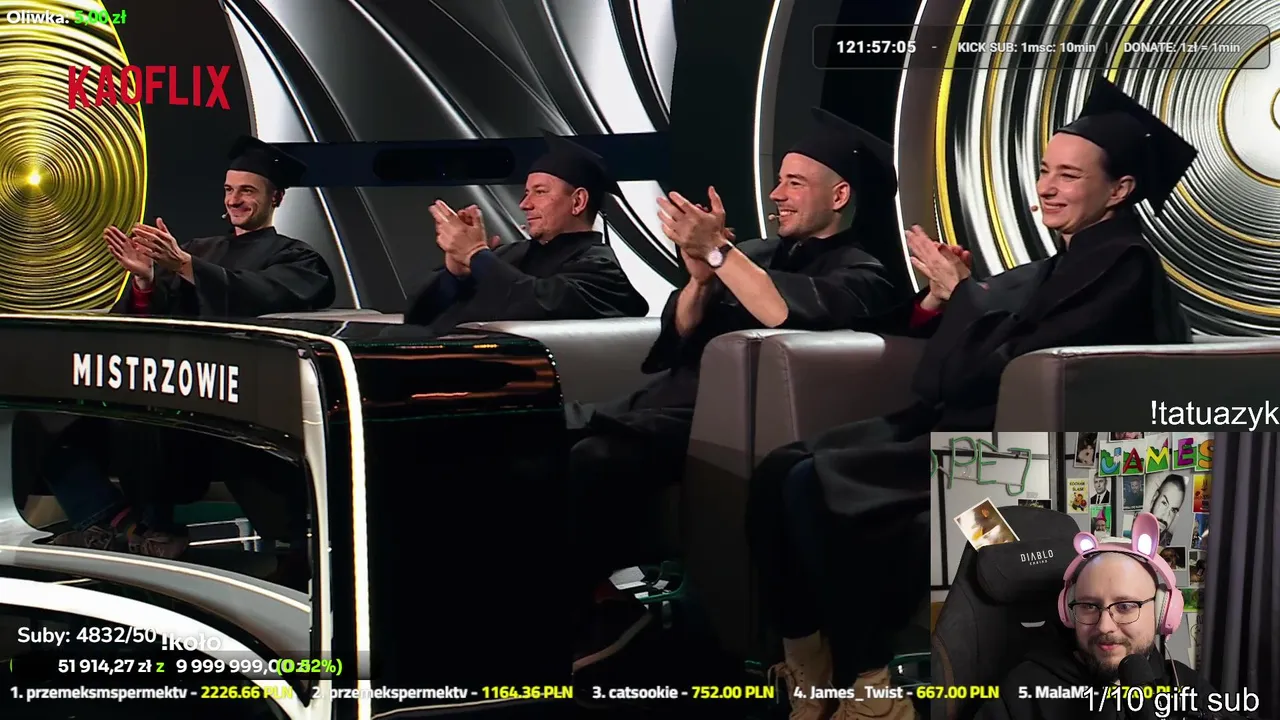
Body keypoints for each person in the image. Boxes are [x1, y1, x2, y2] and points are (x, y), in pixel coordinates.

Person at [749, 77, 1195, 720]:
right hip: (971, 434)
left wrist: (966, 296)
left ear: (1119, 190)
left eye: (1069, 176)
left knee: (816, 487)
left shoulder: (1123, 264)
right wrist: (957, 294)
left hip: (1023, 467)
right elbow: (980, 348)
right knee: (781, 470)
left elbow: (1012, 363)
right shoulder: (1061, 264)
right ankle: (813, 668)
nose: (1047, 188)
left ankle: (869, 682)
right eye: (1045, 171)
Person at [567, 107, 910, 671]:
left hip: (726, 420)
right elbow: (679, 333)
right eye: (778, 181)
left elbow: (781, 313)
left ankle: (601, 610)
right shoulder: (756, 252)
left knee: (594, 457)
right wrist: (701, 280)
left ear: (840, 195)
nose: (776, 195)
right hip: (665, 399)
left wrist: (720, 254)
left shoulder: (863, 271)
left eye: (794, 183)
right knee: (534, 438)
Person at [34, 137, 332, 584]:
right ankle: (112, 522)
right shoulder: (199, 248)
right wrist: (146, 281)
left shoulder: (296, 257)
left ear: (277, 198)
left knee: (149, 419)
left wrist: (186, 266)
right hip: (160, 386)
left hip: (227, 402)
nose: (235, 200)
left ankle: (156, 529)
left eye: (247, 191)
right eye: (229, 190)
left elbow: (261, 296)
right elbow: (155, 317)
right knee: (46, 420)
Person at [976, 513, 1235, 719]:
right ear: (1068, 612)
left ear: (1161, 612)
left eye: (1125, 606)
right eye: (1089, 606)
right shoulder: (1022, 691)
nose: (1104, 626)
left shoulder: (1184, 685)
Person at [403, 132, 648, 330]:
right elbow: (420, 315)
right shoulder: (507, 255)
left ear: (578, 201)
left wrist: (475, 254)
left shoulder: (602, 271)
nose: (524, 204)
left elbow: (535, 305)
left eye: (540, 192)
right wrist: (456, 273)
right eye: (526, 193)